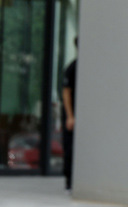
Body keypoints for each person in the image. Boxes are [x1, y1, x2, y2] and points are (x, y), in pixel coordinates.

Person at [61, 36, 78, 192]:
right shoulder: (73, 67)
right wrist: (70, 116)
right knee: (70, 148)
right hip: (72, 115)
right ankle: (69, 180)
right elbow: (66, 92)